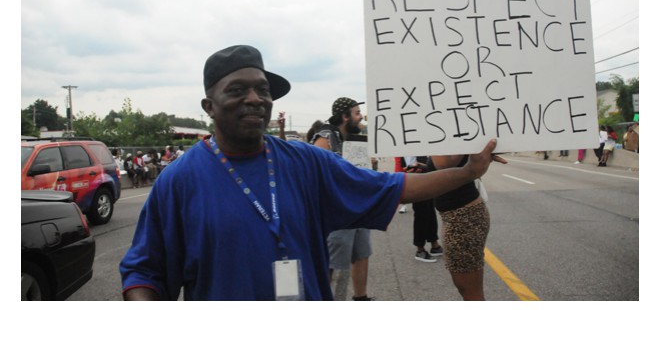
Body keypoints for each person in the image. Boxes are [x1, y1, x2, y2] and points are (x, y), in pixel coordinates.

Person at [119, 45, 505, 301]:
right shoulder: (179, 180)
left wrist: (468, 171)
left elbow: (396, 187)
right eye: (237, 90)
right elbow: (144, 272)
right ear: (209, 105)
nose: (255, 99)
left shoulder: (305, 162)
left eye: (262, 90)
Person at [310, 97, 375, 301]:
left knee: (361, 253)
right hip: (336, 210)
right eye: (356, 113)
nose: (360, 117)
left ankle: (361, 297)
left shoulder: (353, 138)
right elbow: (314, 171)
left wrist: (368, 164)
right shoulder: (326, 136)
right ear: (345, 116)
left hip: (357, 207)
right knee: (330, 261)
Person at [431, 154, 490, 300]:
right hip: (458, 216)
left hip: (463, 217)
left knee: (471, 292)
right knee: (465, 289)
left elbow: (443, 164)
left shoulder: (454, 137)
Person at [403, 156, 444, 262]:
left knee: (429, 210)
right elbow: (410, 164)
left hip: (426, 171)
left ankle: (434, 244)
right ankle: (420, 249)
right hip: (416, 175)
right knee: (421, 212)